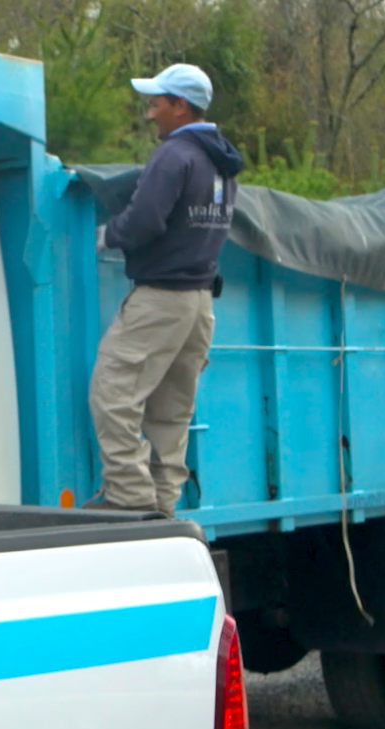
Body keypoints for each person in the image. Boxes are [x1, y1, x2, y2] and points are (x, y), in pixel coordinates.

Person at [87, 63, 245, 515]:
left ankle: (127, 495)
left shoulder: (175, 155)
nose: (149, 114)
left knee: (112, 391)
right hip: (199, 303)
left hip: (161, 297)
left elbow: (145, 220)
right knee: (171, 410)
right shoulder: (222, 163)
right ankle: (162, 500)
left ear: (180, 106)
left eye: (155, 104)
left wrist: (105, 235)